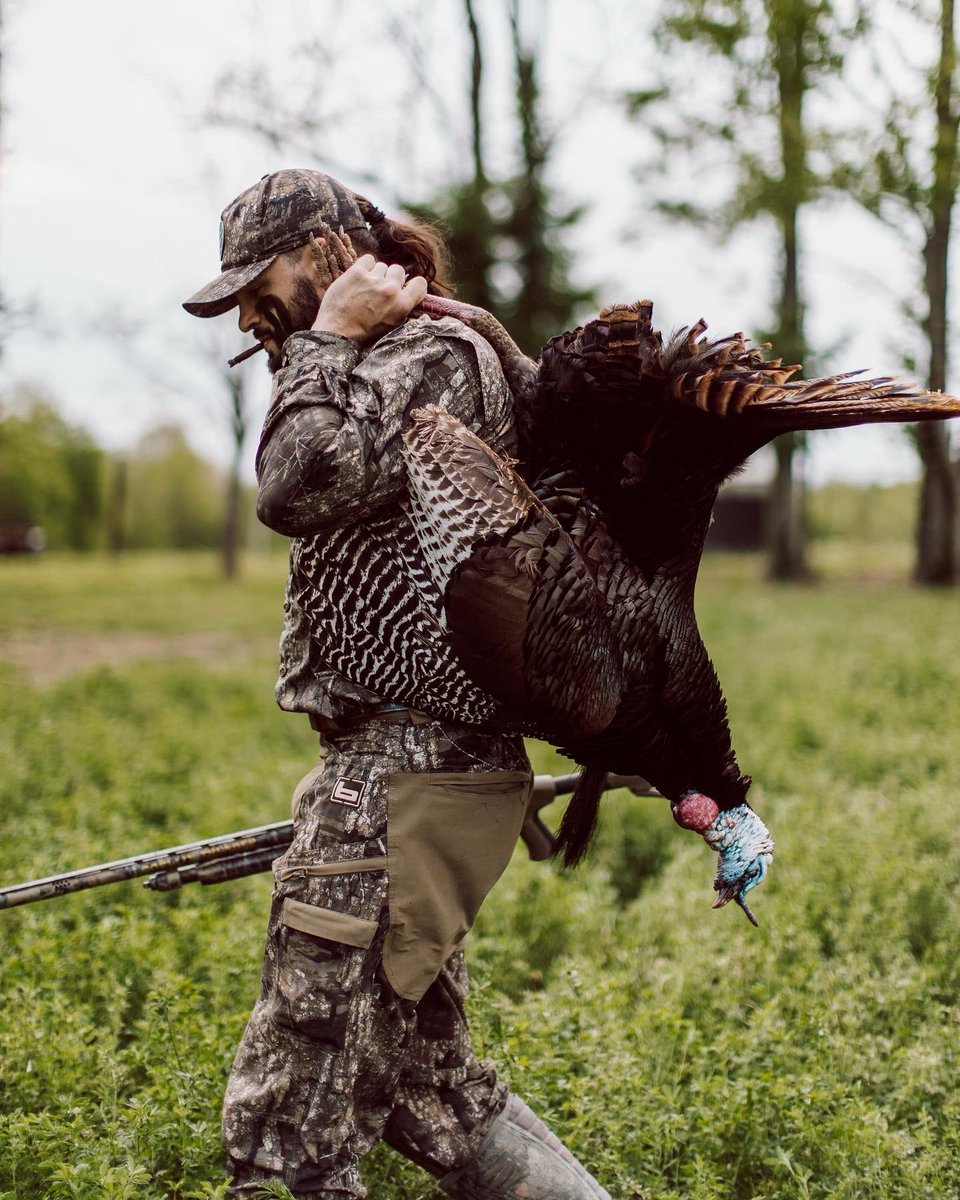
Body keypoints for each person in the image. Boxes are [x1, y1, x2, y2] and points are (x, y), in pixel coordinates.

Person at [183, 169, 611, 1200]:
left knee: (290, 1130)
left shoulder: (429, 354)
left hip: (405, 774)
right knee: (434, 1091)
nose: (249, 311)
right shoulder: (382, 359)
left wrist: (328, 334)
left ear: (334, 251)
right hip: (403, 771)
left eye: (262, 279)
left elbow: (295, 483)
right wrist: (327, 345)